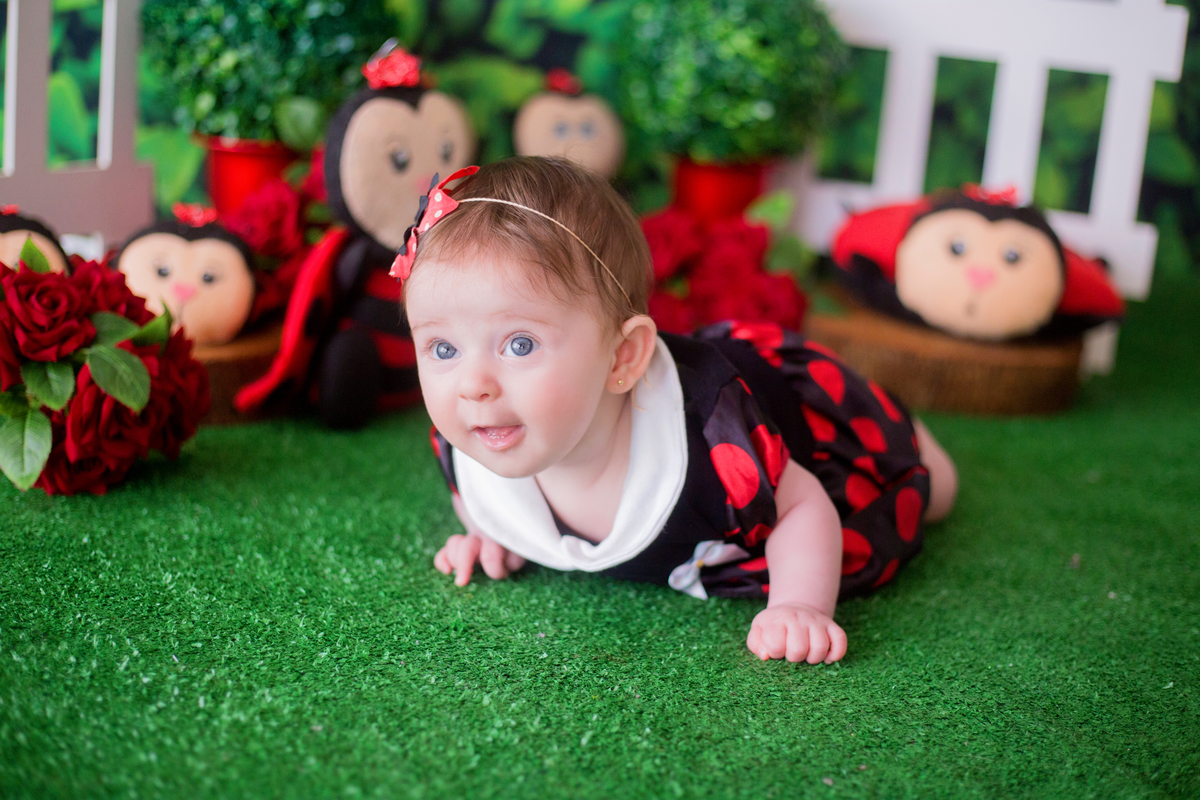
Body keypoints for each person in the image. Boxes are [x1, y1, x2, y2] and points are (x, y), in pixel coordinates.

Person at [395, 157, 958, 664]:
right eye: (442, 349)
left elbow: (801, 508)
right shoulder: (475, 435)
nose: (472, 385)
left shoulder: (715, 444)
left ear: (624, 355)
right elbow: (471, 487)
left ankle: (914, 429)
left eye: (520, 345)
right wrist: (490, 531)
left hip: (793, 419)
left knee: (936, 490)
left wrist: (801, 605)